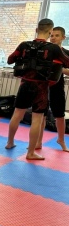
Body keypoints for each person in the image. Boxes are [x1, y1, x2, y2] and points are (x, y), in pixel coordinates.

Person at [5, 18, 69, 160]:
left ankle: (10, 142)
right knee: (37, 119)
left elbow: (10, 60)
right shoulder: (53, 49)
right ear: (50, 31)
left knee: (17, 114)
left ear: (36, 30)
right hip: (41, 88)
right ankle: (31, 152)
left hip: (25, 85)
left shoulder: (24, 45)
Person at [36, 26, 69, 151]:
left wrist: (59, 68)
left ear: (63, 37)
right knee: (41, 115)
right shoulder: (45, 50)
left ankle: (61, 140)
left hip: (57, 86)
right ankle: (38, 141)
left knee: (60, 115)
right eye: (52, 35)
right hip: (43, 86)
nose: (53, 38)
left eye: (57, 35)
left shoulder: (66, 53)